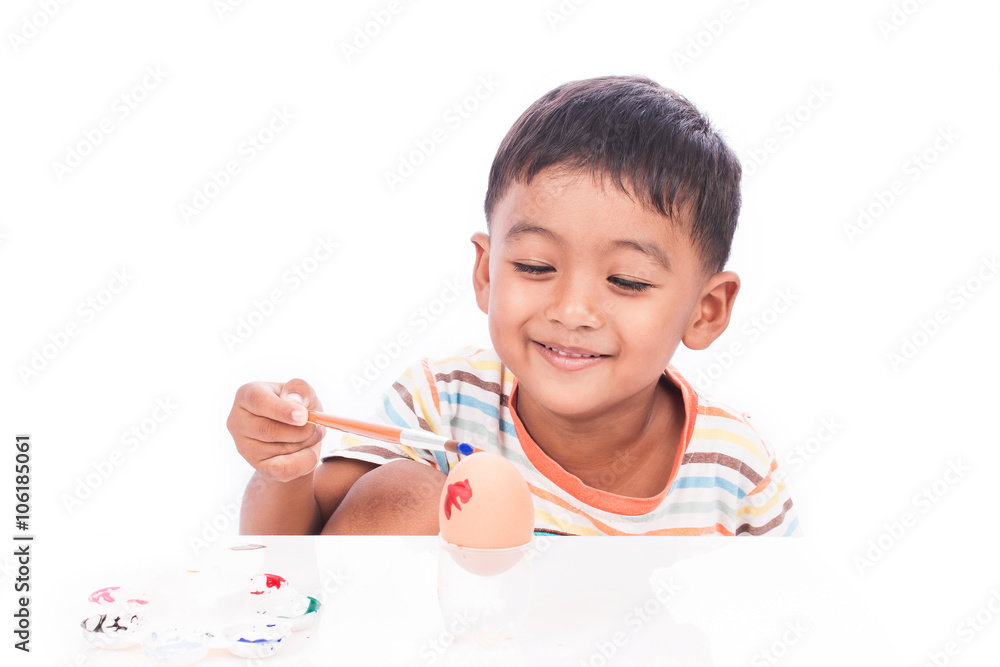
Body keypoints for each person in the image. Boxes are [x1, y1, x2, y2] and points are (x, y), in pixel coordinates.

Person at [228, 75, 800, 537]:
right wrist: (284, 472)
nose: (572, 310)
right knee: (401, 491)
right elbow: (294, 554)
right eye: (535, 267)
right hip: (433, 632)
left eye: (626, 281)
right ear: (486, 272)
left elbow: (784, 610)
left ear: (706, 310)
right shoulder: (444, 401)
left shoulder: (732, 470)